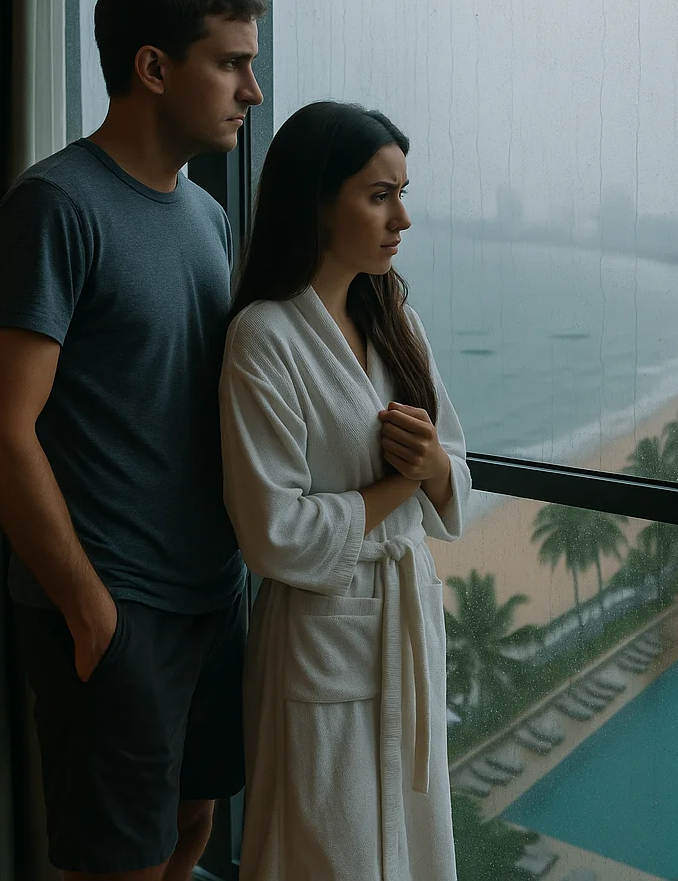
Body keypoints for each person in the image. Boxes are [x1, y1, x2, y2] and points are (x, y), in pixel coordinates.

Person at [0, 0, 266, 879]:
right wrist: (91, 610)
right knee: (115, 864)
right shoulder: (56, 205)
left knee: (190, 830)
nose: (251, 90)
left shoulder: (206, 219)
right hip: (115, 607)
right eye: (230, 63)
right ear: (152, 67)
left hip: (208, 600)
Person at [220, 100, 472, 880]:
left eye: (402, 192)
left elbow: (454, 463)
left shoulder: (395, 313)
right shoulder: (264, 337)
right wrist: (402, 483)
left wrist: (429, 466)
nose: (402, 217)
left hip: (404, 617)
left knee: (413, 844)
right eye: (378, 195)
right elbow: (272, 534)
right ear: (319, 202)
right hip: (319, 637)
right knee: (329, 852)